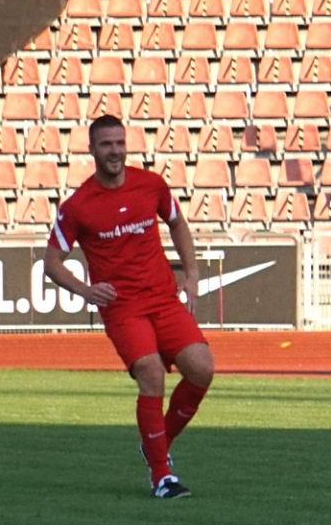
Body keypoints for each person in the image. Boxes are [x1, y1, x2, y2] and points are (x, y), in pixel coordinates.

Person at [43, 115, 215, 499]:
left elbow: (177, 223)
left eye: (120, 143)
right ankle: (161, 476)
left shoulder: (151, 185)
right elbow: (52, 263)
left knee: (202, 368)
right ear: (91, 149)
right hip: (123, 308)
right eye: (106, 144)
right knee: (151, 372)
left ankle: (156, 442)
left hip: (163, 299)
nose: (115, 151)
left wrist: (191, 274)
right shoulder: (78, 206)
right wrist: (85, 291)